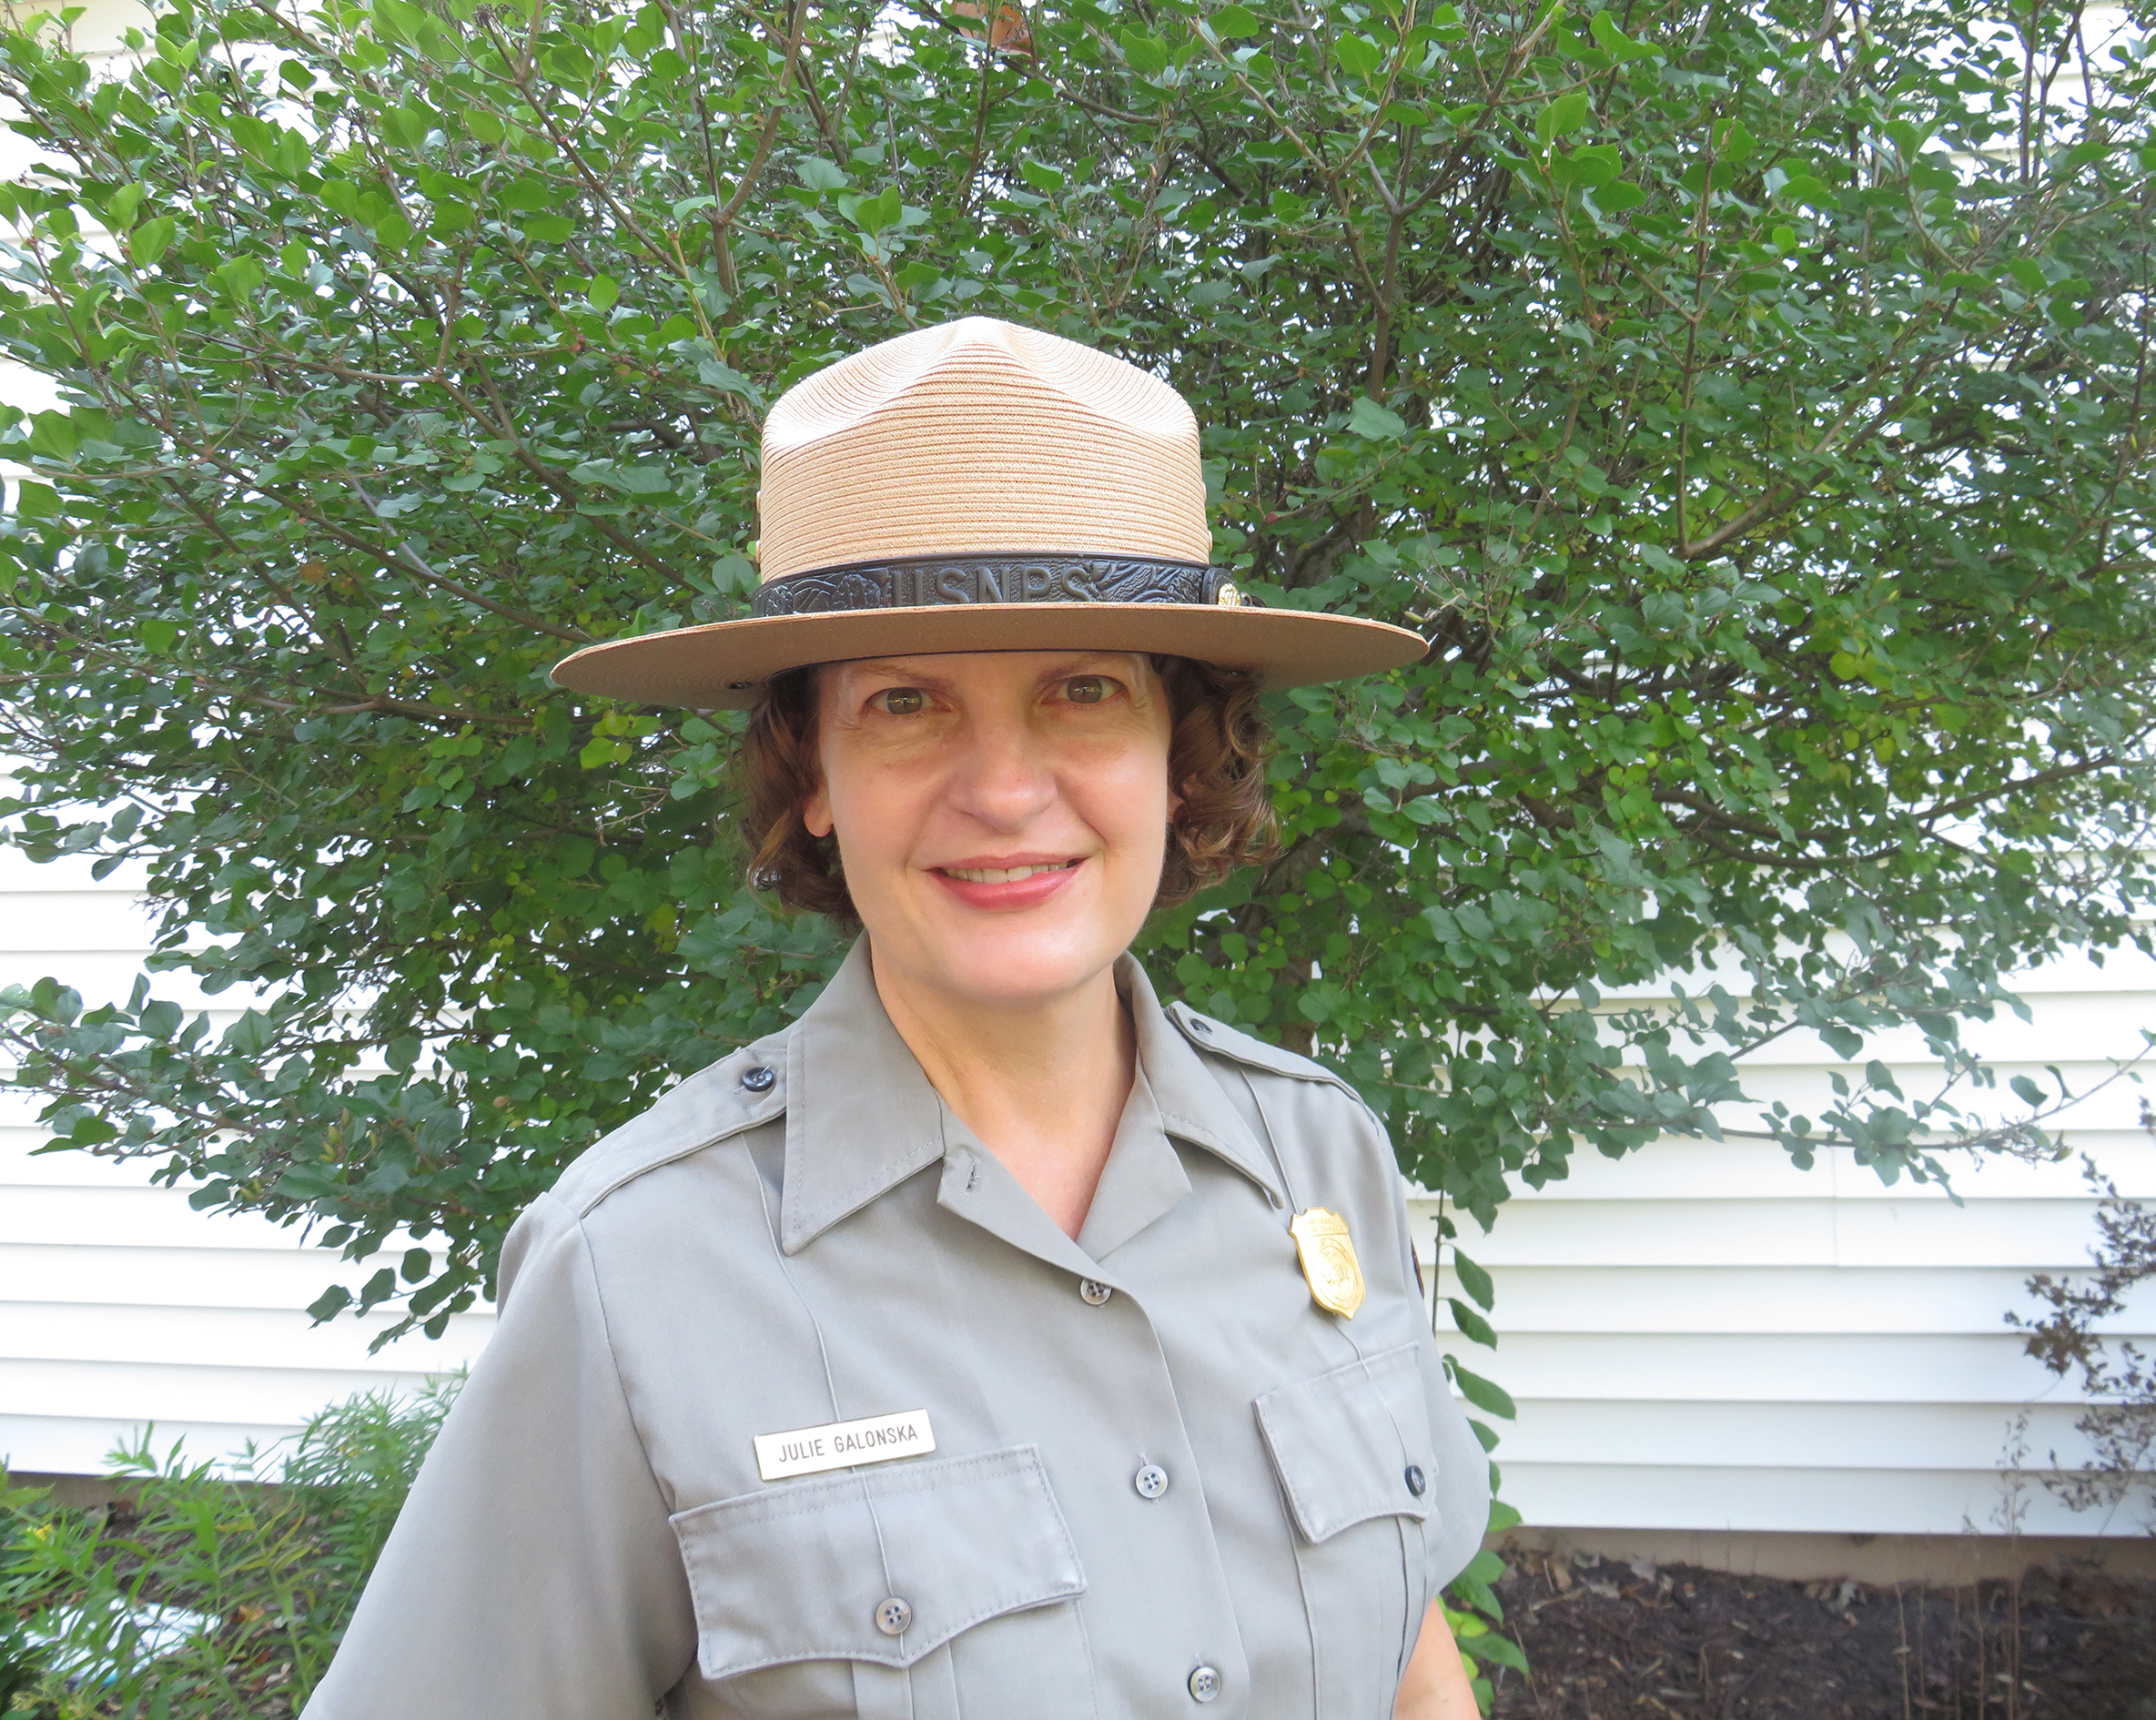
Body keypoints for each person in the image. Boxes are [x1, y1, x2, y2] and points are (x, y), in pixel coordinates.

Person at [305, 317, 1490, 1720]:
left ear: (1180, 754)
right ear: (815, 773)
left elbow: (1412, 1648)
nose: (1002, 789)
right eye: (908, 702)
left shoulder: (1320, 1160)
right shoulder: (634, 1270)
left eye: (1084, 690)